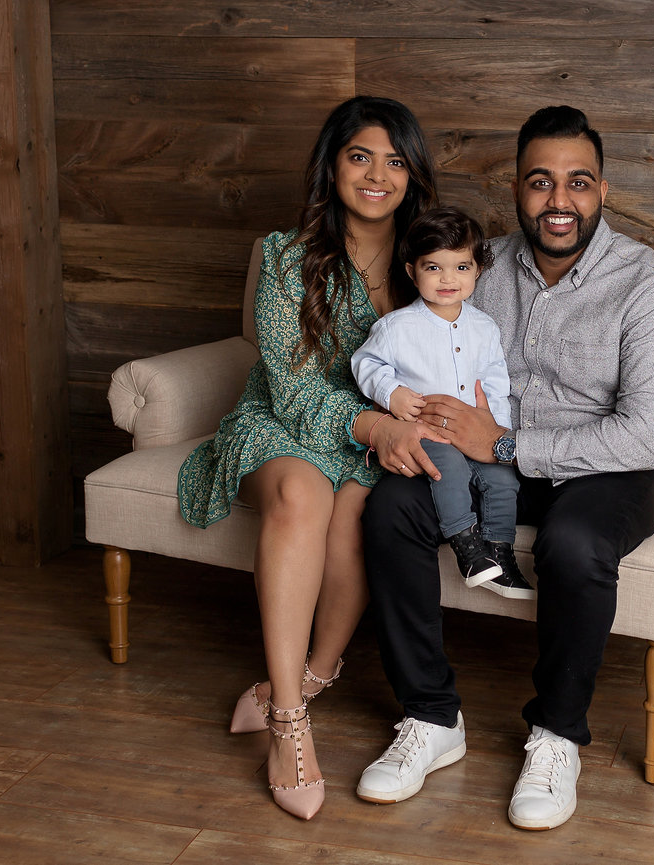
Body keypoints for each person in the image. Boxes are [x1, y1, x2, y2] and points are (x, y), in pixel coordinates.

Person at [355, 106, 654, 830]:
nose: (558, 201)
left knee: (574, 544)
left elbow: (642, 435)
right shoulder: (476, 267)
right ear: (516, 186)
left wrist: (501, 445)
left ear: (603, 189)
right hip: (489, 462)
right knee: (389, 509)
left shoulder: (647, 284)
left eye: (578, 182)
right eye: (541, 182)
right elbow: (406, 352)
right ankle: (431, 715)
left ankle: (557, 733)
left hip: (605, 470)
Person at [176, 95, 442, 821]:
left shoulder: (430, 263)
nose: (378, 174)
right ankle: (290, 724)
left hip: (372, 436)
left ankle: (311, 676)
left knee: (365, 509)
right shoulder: (285, 254)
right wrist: (370, 426)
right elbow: (290, 386)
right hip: (285, 421)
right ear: (333, 164)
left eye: (395, 160)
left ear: (413, 173)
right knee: (302, 495)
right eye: (361, 156)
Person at [351, 206, 534, 600]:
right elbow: (364, 363)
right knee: (446, 469)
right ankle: (467, 547)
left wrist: (496, 430)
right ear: (411, 271)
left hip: (478, 431)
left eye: (461, 268)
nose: (448, 279)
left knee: (504, 480)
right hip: (430, 430)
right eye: (434, 268)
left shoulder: (484, 327)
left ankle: (500, 556)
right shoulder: (396, 328)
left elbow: (496, 381)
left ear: (478, 270)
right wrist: (391, 393)